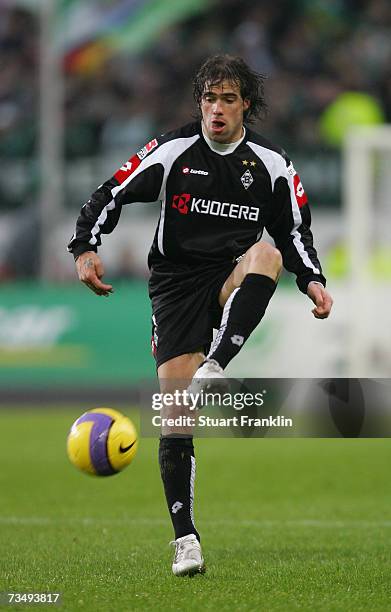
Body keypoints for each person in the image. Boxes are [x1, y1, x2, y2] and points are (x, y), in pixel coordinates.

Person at [68, 54, 333, 577]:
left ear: (246, 107)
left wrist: (313, 279)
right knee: (173, 414)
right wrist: (84, 247)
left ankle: (217, 364)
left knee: (269, 256)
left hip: (231, 272)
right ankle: (185, 538)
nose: (216, 109)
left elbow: (294, 231)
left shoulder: (273, 164)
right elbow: (112, 192)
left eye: (227, 99)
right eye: (209, 98)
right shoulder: (173, 150)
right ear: (200, 103)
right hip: (175, 285)